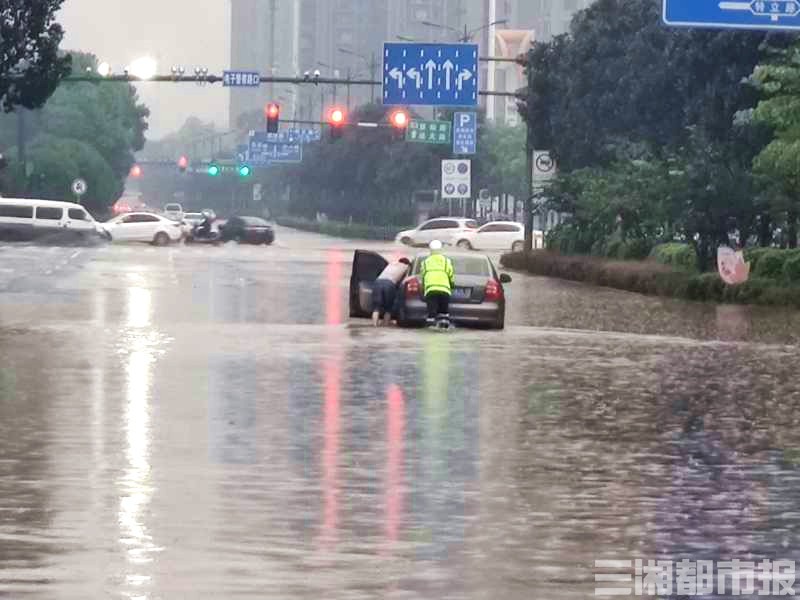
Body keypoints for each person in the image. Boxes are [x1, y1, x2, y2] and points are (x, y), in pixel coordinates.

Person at [420, 240, 455, 326]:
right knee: (444, 313)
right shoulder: (447, 261)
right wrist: (452, 285)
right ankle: (444, 327)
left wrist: (423, 288)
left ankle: (431, 327)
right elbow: (451, 275)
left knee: (431, 314)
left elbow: (423, 277)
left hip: (430, 290)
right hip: (445, 290)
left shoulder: (425, 262)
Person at [371, 257, 412, 327]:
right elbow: (404, 280)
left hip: (378, 282)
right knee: (389, 308)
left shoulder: (391, 264)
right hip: (389, 284)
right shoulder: (406, 267)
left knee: (376, 307)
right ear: (407, 263)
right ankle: (385, 325)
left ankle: (375, 325)